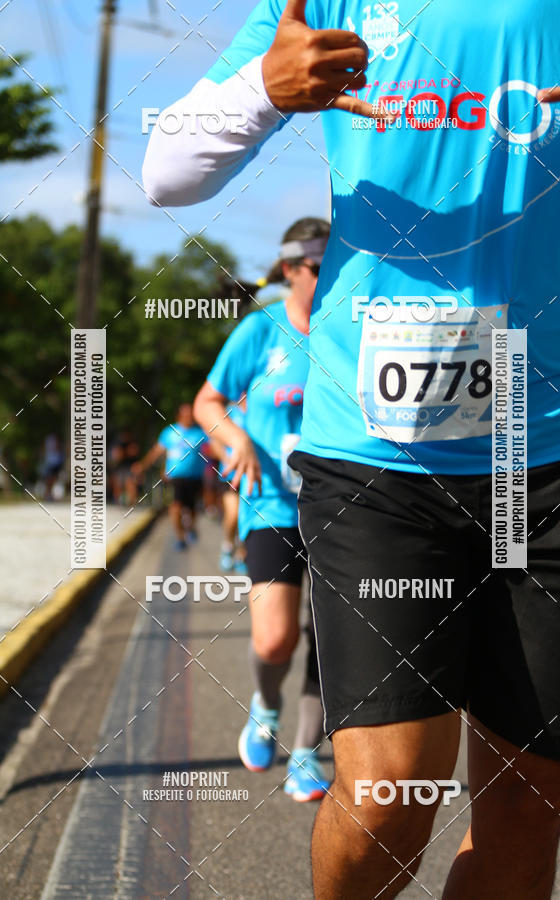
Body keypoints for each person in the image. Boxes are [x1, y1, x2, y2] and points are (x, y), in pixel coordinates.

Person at [144, 4, 560, 897]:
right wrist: (261, 91)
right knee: (390, 794)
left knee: (523, 807)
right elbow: (167, 172)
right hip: (379, 460)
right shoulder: (331, 4)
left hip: (559, 454)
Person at [194, 217, 332, 803]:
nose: (331, 280)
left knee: (331, 640)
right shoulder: (261, 330)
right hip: (272, 502)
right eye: (320, 269)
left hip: (341, 509)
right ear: (291, 270)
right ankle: (266, 705)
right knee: (275, 639)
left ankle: (305, 752)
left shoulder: (352, 328)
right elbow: (208, 402)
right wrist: (235, 439)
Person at [133, 403, 208, 551]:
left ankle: (191, 527)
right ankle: (180, 537)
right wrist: (143, 465)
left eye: (191, 414)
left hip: (194, 477)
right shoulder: (170, 432)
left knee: (192, 508)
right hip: (175, 476)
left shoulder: (201, 433)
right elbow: (157, 451)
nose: (189, 417)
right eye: (186, 414)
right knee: (176, 506)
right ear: (179, 416)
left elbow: (213, 450)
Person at [211, 400, 248, 573]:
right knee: (233, 514)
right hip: (231, 475)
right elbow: (215, 441)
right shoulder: (229, 411)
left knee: (246, 516)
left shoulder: (259, 406)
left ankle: (243, 553)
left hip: (254, 474)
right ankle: (227, 547)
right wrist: (227, 460)